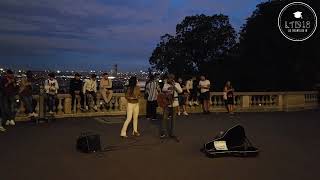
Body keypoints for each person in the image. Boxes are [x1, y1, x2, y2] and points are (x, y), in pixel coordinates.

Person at [161, 74, 182, 141]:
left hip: (175, 103)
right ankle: (163, 131)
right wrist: (168, 88)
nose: (169, 79)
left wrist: (174, 86)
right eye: (169, 78)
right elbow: (163, 89)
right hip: (167, 103)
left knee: (173, 119)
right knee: (164, 117)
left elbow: (180, 91)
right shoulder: (166, 84)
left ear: (173, 78)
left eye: (171, 78)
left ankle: (172, 133)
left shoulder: (177, 84)